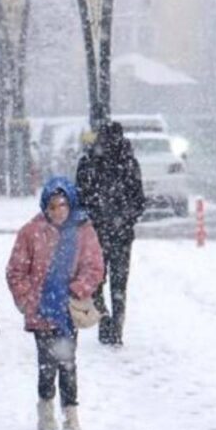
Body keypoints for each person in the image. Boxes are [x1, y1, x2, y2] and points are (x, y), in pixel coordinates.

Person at [6, 176, 104, 430]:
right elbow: (16, 270)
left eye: (63, 205)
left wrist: (76, 290)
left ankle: (71, 415)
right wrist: (30, 300)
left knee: (68, 362)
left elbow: (94, 267)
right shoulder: (30, 232)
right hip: (41, 310)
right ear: (45, 206)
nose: (59, 211)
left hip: (67, 309)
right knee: (46, 363)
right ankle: (46, 411)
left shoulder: (83, 230)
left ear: (71, 203)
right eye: (53, 206)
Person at [75, 121, 146, 346]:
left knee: (97, 280)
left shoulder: (89, 163)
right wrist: (125, 218)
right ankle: (115, 328)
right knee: (118, 283)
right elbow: (139, 200)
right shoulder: (128, 163)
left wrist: (94, 217)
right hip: (119, 233)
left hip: (99, 232)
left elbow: (80, 198)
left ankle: (105, 320)